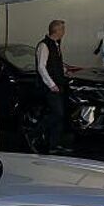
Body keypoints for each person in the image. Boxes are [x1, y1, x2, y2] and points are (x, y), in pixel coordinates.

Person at [36, 19, 68, 154]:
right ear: (57, 30)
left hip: (58, 84)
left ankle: (55, 145)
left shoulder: (56, 45)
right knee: (57, 113)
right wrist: (51, 84)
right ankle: (38, 129)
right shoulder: (44, 46)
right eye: (63, 29)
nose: (64, 32)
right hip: (50, 87)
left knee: (60, 115)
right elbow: (41, 67)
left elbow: (54, 64)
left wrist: (64, 70)